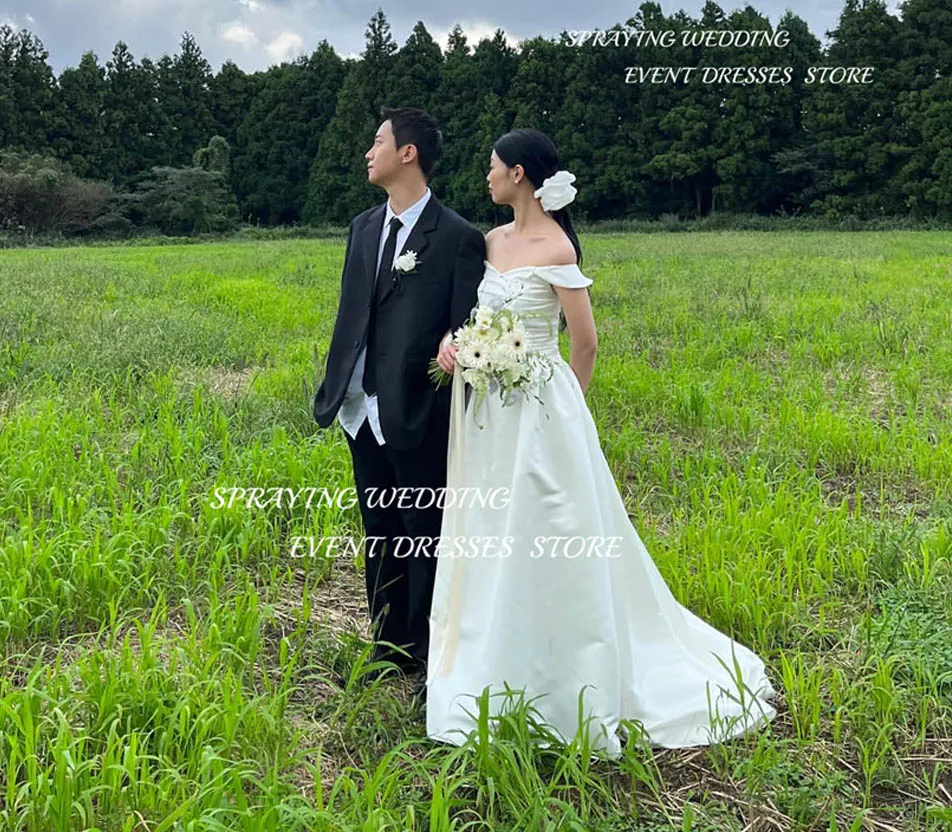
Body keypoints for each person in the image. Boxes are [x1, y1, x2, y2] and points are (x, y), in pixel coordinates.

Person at [426, 128, 777, 757]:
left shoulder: (556, 244)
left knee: (544, 531)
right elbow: (479, 317)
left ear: (522, 176)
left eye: (495, 166)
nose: (487, 175)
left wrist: (562, 414)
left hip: (539, 410)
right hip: (487, 413)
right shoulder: (491, 241)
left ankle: (563, 675)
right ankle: (487, 660)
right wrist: (459, 346)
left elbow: (583, 344)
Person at [314, 106, 486, 703]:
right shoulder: (363, 228)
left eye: (378, 140)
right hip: (359, 409)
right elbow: (351, 315)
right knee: (379, 529)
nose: (369, 150)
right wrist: (339, 386)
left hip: (415, 410)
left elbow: (468, 326)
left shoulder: (459, 237)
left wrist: (450, 342)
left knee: (423, 532)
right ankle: (386, 647)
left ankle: (427, 654)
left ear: (407, 153)